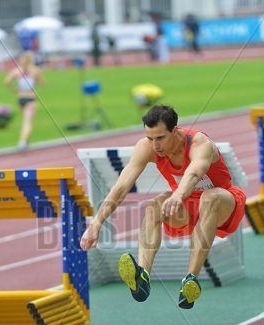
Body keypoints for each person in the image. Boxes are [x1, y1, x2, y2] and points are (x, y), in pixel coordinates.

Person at [80, 105, 246, 309]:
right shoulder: (147, 147)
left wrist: (177, 195)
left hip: (224, 204)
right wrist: (96, 223)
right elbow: (122, 186)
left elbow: (194, 173)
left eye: (160, 138)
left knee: (209, 198)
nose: (155, 145)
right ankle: (142, 276)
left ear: (175, 131)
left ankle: (190, 280)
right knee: (152, 207)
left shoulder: (199, 143)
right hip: (188, 206)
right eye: (150, 138)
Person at [4, 51, 45, 150]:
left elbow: (6, 82)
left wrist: (15, 90)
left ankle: (25, 141)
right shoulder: (35, 70)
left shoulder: (17, 71)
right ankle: (22, 142)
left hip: (21, 98)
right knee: (28, 122)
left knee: (26, 120)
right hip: (30, 98)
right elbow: (43, 84)